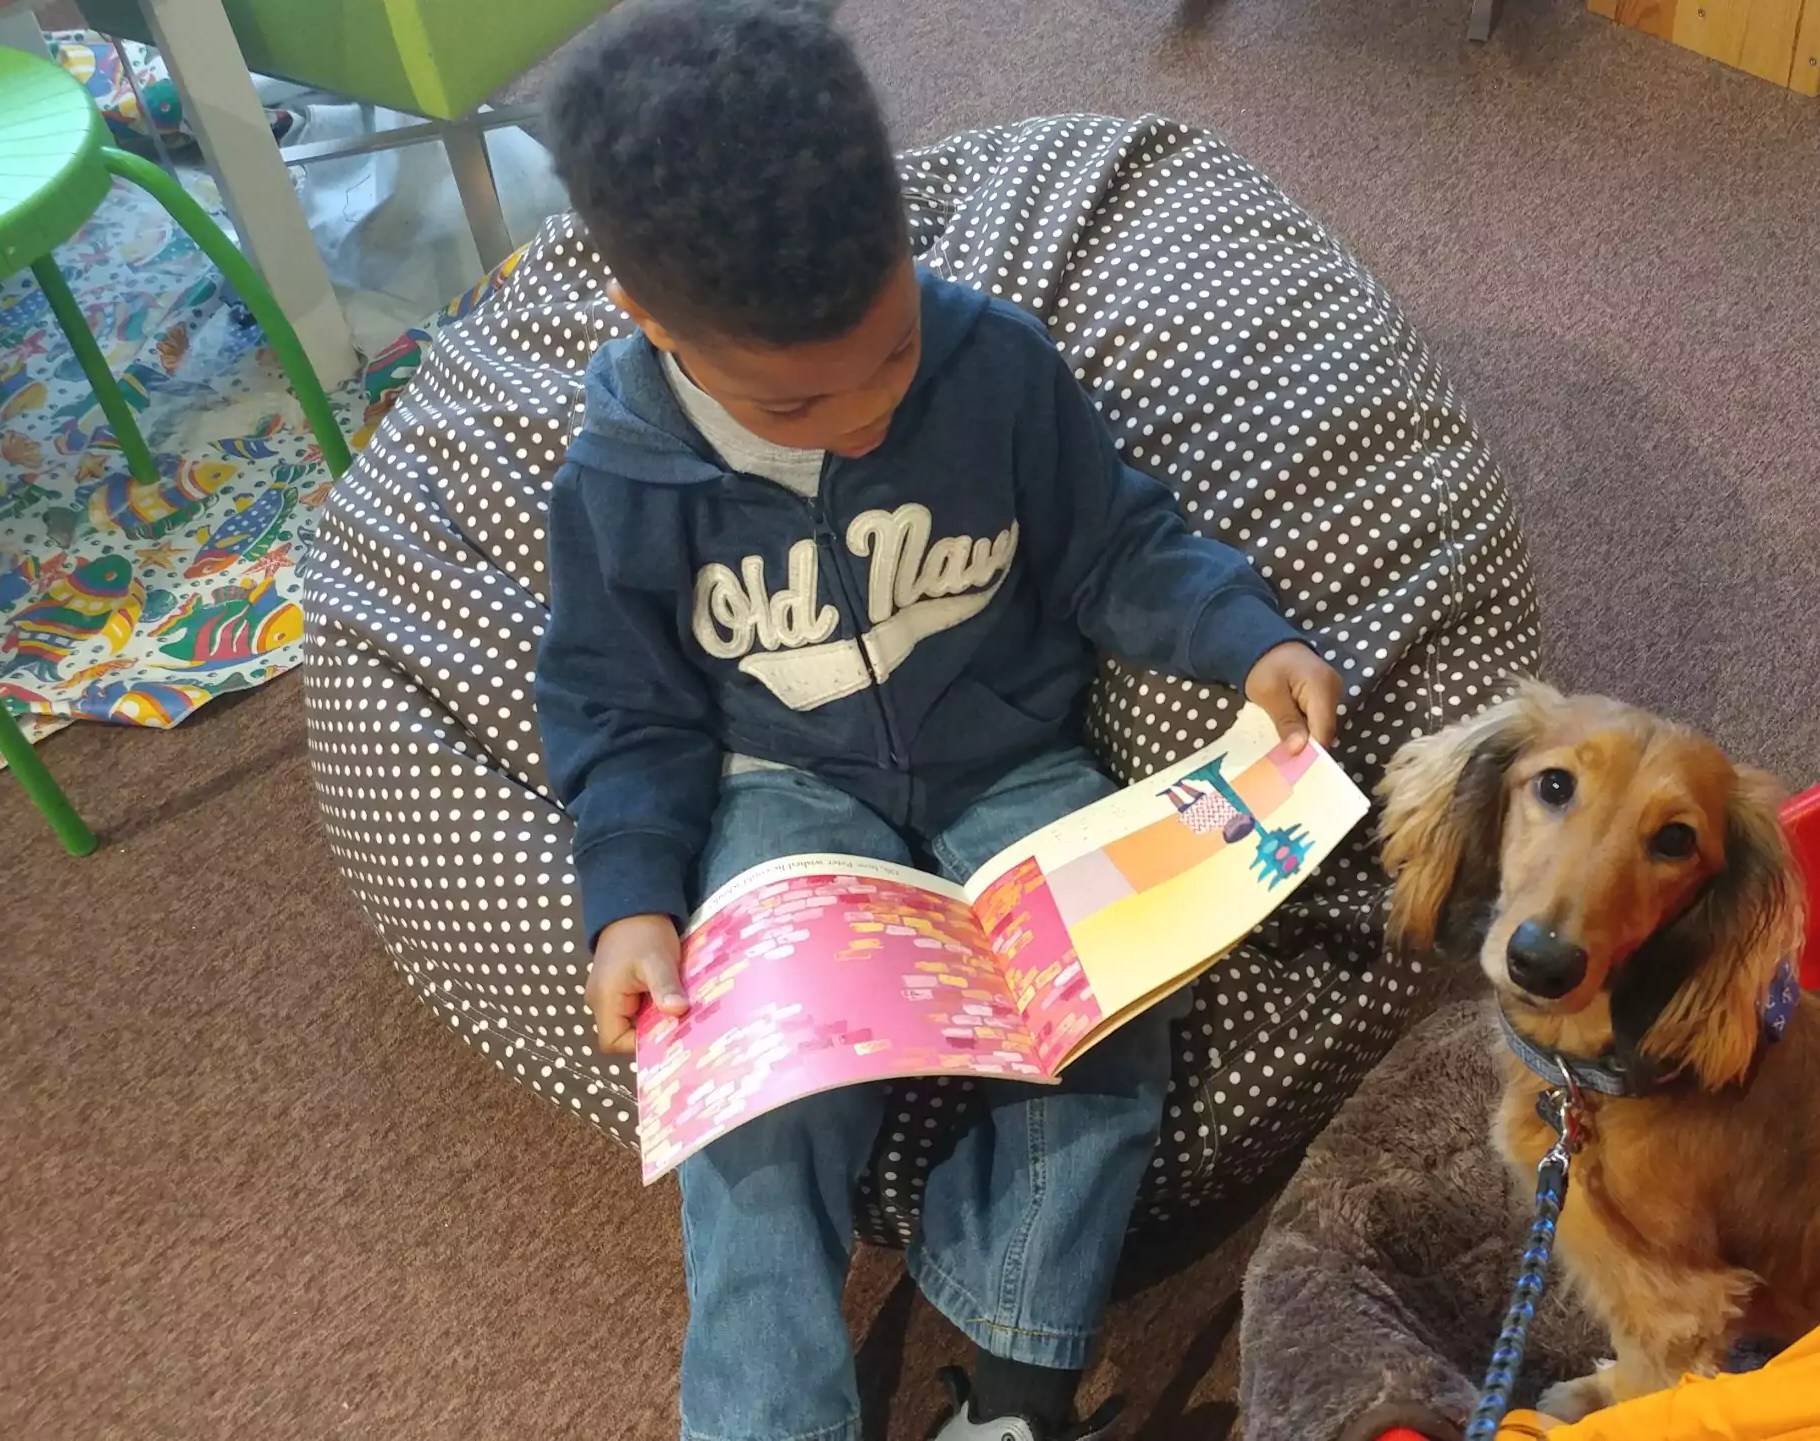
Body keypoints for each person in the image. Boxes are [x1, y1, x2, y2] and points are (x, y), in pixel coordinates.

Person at [535, 3, 1342, 1439]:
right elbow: (618, 706)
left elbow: (1116, 546)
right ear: (650, 323)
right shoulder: (623, 478)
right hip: (781, 798)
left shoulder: (995, 363)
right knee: (756, 1117)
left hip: (1013, 766)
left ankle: (1017, 1387)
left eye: (890, 354)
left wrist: (1248, 636)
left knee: (1111, 1025)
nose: (860, 417)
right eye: (794, 398)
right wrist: (630, 900)